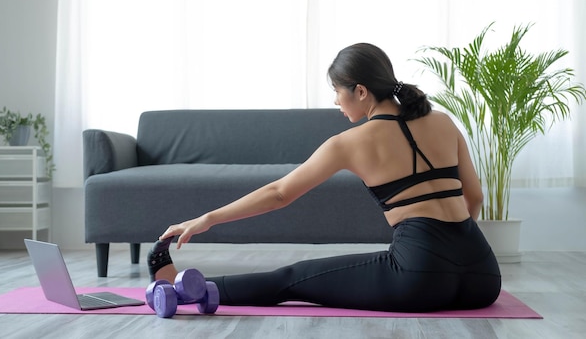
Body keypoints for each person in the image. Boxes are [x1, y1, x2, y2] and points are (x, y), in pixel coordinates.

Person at [147, 42, 501, 312]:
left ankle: (187, 290)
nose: (336, 102)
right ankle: (188, 287)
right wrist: (451, 252)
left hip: (420, 278)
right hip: (484, 277)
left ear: (360, 91)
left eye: (337, 91)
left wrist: (206, 219)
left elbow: (280, 193)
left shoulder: (349, 142)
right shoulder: (442, 121)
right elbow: (475, 197)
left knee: (294, 278)